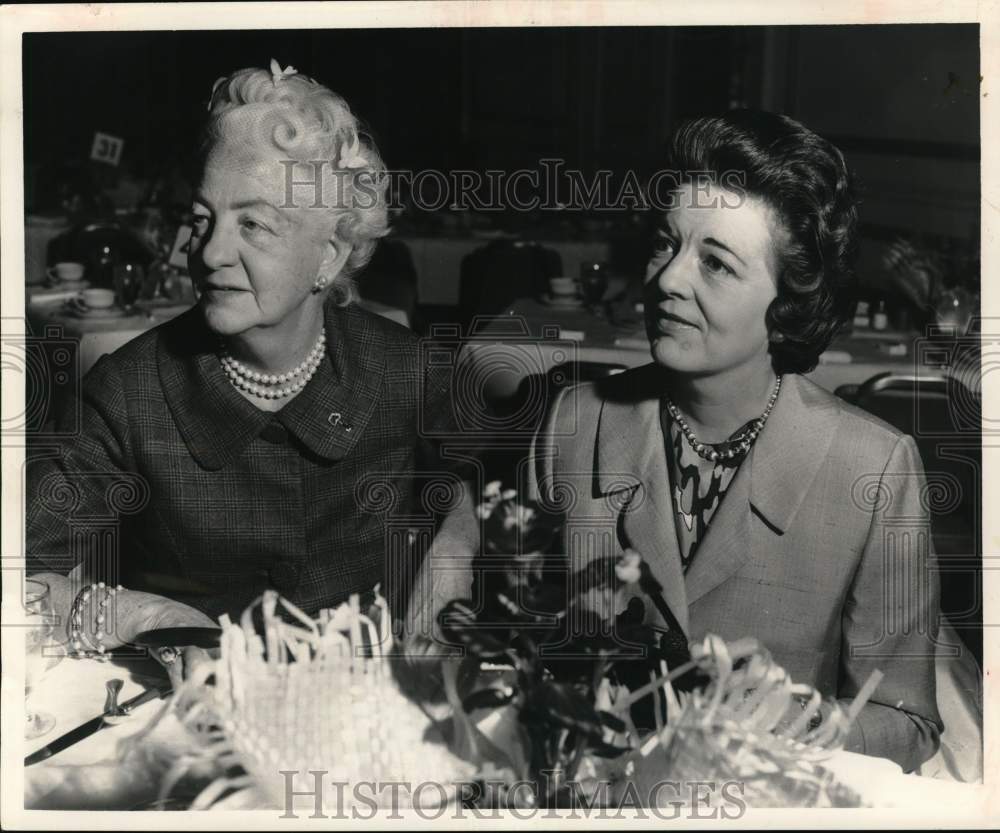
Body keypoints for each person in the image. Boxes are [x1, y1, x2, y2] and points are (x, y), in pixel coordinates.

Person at [410, 110, 942, 772]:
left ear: (788, 305)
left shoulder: (875, 466)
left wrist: (810, 718)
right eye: (668, 243)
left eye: (716, 263)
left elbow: (909, 721)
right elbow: (522, 652)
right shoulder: (576, 423)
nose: (667, 279)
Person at [27, 61, 474, 679]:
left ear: (329, 256)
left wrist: (456, 542)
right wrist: (151, 618)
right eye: (203, 218)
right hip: (186, 728)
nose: (209, 253)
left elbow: (479, 482)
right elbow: (19, 578)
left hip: (377, 722)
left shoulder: (406, 368)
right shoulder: (127, 392)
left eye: (254, 225)